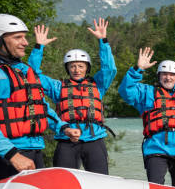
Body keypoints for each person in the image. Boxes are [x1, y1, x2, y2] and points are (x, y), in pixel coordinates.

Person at [0, 14, 80, 181]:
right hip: (6, 156)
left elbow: (38, 107)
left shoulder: (22, 69)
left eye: (25, 37)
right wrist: (12, 155)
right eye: (17, 37)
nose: (25, 42)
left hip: (34, 150)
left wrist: (63, 128)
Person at [27, 18, 117, 174]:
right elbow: (32, 75)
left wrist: (103, 41)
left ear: (87, 68)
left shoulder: (98, 84)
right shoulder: (58, 87)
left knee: (101, 180)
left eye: (81, 66)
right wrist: (38, 47)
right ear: (67, 68)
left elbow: (109, 68)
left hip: (94, 140)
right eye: (72, 66)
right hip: (66, 139)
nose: (76, 69)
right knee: (62, 180)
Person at [119, 47, 175, 187]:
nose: (168, 77)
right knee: (156, 188)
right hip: (156, 149)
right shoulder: (146, 93)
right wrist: (138, 69)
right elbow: (125, 91)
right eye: (164, 74)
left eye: (172, 75)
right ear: (159, 76)